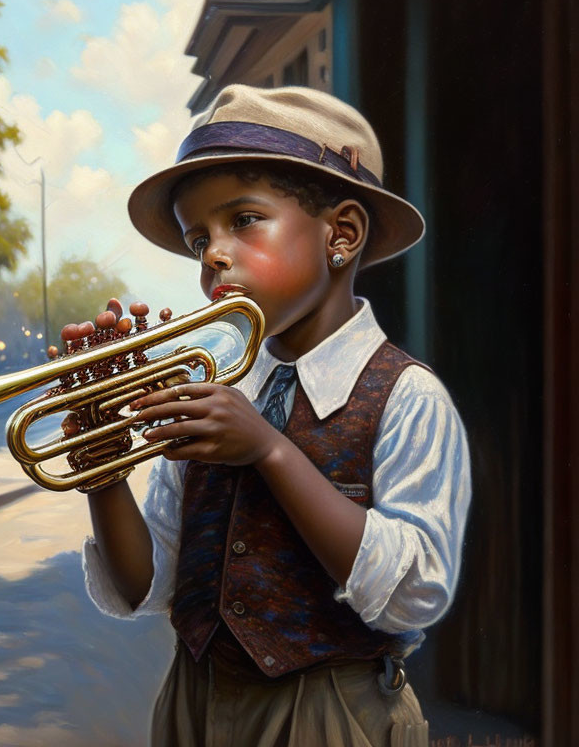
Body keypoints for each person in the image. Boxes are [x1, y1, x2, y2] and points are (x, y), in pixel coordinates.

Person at [80, 84, 471, 747]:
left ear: (341, 235)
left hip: (334, 714)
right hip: (191, 704)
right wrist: (102, 469)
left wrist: (270, 450)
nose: (212, 254)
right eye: (197, 236)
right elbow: (147, 585)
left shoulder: (409, 397)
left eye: (244, 220)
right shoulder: (208, 389)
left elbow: (415, 594)